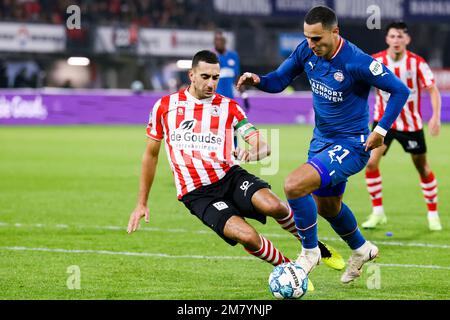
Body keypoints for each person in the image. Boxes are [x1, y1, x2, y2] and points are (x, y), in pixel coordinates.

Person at [127, 50, 344, 287]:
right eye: (206, 76)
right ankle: (290, 270)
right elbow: (150, 155)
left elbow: (263, 146)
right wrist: (141, 203)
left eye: (216, 77)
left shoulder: (228, 107)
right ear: (191, 75)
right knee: (248, 236)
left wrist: (251, 153)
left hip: (229, 176)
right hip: (197, 194)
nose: (211, 83)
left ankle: (316, 248)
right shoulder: (165, 107)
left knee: (275, 206)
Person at [237, 6, 410, 283]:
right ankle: (362, 248)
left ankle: (310, 252)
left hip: (353, 145)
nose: (311, 44)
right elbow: (280, 79)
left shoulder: (357, 61)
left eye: (317, 38)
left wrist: (380, 130)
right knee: (327, 207)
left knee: (294, 185)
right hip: (321, 141)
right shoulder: (306, 51)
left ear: (335, 32)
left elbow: (400, 89)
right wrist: (259, 80)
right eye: (307, 37)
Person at [362, 22, 442, 231]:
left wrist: (435, 116)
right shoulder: (376, 61)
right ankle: (377, 212)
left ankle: (433, 214)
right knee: (370, 164)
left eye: (400, 37)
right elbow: (359, 83)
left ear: (407, 39)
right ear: (387, 39)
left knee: (422, 168)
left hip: (411, 124)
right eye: (392, 36)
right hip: (383, 123)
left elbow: (432, 89)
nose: (396, 40)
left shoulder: (417, 63)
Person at [214, 30, 250, 112]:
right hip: (214, 100)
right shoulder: (211, 56)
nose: (218, 42)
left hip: (229, 99)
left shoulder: (233, 56)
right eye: (216, 40)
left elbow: (237, 78)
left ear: (224, 41)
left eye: (220, 40)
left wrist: (244, 96)